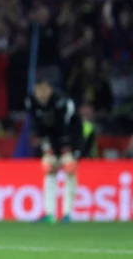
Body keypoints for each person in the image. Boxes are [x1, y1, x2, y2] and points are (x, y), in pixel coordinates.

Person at [25, 77, 82, 224]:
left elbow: (73, 126)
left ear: (50, 89)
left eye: (43, 89)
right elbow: (37, 126)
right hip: (50, 141)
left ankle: (67, 214)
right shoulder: (31, 102)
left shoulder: (62, 102)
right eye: (37, 90)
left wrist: (73, 149)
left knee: (70, 170)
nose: (40, 94)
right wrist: (46, 146)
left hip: (69, 141)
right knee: (49, 171)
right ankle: (49, 213)